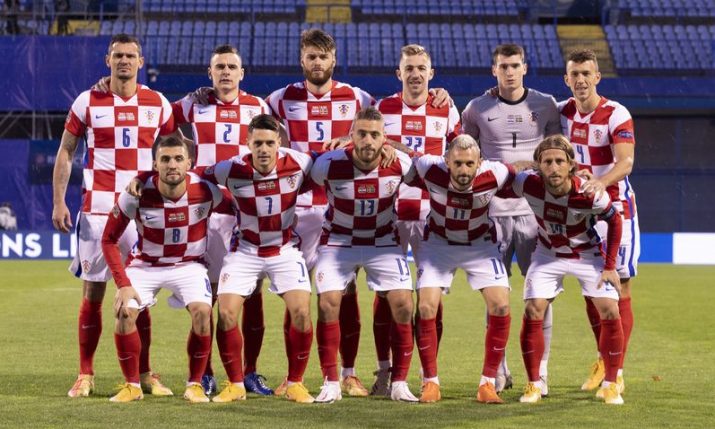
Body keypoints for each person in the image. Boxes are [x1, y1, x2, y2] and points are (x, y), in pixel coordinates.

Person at [96, 43, 274, 396]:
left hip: (237, 208)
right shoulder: (190, 105)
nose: (225, 72)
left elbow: (272, 145)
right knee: (208, 301)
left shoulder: (259, 107)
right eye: (219, 67)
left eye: (231, 66)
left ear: (242, 73)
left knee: (249, 294)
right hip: (201, 207)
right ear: (210, 73)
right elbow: (161, 137)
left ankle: (249, 372)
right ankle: (204, 374)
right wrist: (110, 85)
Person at [52, 34, 175, 399]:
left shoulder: (158, 103)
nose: (124, 60)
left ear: (141, 62)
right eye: (118, 55)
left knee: (141, 295)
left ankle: (145, 374)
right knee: (93, 292)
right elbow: (66, 151)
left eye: (130, 55)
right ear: (107, 60)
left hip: (143, 214)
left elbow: (174, 154)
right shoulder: (87, 101)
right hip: (98, 211)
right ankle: (85, 374)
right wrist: (59, 201)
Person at [461, 43, 561, 395]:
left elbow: (558, 153)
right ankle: (499, 370)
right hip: (492, 214)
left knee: (541, 294)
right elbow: (467, 158)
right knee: (496, 296)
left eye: (515, 65)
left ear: (525, 68)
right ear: (494, 70)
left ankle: (541, 372)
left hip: (536, 214)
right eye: (503, 66)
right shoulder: (476, 108)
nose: (509, 71)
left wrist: (529, 166)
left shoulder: (546, 105)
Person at [203, 114, 315, 404]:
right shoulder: (230, 168)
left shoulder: (300, 162)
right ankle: (235, 384)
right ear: (248, 143)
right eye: (257, 144)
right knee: (226, 313)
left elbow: (335, 163)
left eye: (269, 143)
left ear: (279, 142)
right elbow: (196, 179)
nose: (264, 149)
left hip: (284, 249)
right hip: (245, 250)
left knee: (302, 312)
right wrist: (142, 180)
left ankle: (295, 383)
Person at [311, 107, 419, 403]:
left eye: (375, 135)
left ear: (385, 138)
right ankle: (331, 383)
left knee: (403, 304)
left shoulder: (400, 163)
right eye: (361, 134)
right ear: (351, 136)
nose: (368, 141)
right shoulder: (328, 164)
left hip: (382, 241)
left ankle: (399, 383)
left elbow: (431, 172)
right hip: (338, 241)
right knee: (328, 302)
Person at [102, 137, 222, 403]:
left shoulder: (207, 191)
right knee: (124, 312)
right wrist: (123, 284)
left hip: (189, 265)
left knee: (203, 312)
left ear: (189, 163)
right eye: (165, 159)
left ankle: (195, 384)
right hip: (146, 265)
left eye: (178, 159)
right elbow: (108, 239)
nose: (172, 165)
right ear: (155, 164)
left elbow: (241, 206)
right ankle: (132, 385)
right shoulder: (136, 193)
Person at [507, 135, 625, 405]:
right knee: (533, 308)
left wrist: (610, 266)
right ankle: (534, 384)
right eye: (547, 161)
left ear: (571, 164)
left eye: (560, 161)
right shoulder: (527, 183)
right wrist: (516, 166)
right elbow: (499, 182)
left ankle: (611, 384)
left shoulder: (589, 193)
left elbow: (615, 220)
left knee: (610, 309)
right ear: (538, 165)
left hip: (587, 254)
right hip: (547, 253)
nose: (553, 167)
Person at [371, 43, 460, 396]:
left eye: (421, 68)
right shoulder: (382, 109)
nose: (415, 74)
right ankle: (384, 370)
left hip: (432, 214)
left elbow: (460, 155)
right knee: (385, 295)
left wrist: (407, 151)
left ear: (431, 73)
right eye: (409, 68)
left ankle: (428, 375)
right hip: (390, 213)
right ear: (399, 73)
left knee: (430, 297)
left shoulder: (446, 108)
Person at [409, 134, 526, 404]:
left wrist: (539, 165)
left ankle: (488, 384)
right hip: (438, 243)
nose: (464, 170)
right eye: (458, 163)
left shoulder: (494, 173)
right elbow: (407, 157)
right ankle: (430, 382)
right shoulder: (429, 167)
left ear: (480, 163)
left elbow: (518, 169)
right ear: (446, 161)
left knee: (501, 305)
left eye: (470, 164)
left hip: (479, 245)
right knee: (426, 307)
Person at [559, 49, 638, 394]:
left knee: (619, 287)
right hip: (580, 213)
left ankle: (615, 371)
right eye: (575, 74)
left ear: (597, 77)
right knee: (591, 292)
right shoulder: (562, 112)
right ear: (567, 79)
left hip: (615, 209)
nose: (581, 80)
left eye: (586, 74)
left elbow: (626, 162)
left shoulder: (615, 113)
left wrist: (600, 183)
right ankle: (604, 359)